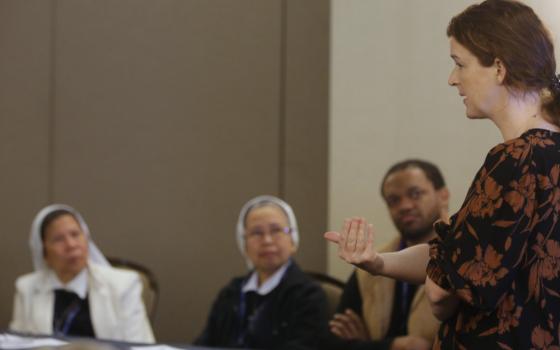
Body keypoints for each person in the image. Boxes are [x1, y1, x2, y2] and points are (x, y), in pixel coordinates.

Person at [325, 0, 560, 348]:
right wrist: (378, 262)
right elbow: (452, 257)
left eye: (459, 64)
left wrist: (443, 291)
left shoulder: (515, 158)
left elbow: (440, 291)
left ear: (498, 67)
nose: (452, 79)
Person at [326, 160, 445, 350]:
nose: (405, 206)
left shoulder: (465, 257)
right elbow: (333, 343)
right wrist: (388, 346)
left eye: (415, 194)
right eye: (394, 200)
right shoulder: (371, 263)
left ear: (443, 196)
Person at [195, 195, 328, 349]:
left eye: (276, 230)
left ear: (293, 240)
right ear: (244, 244)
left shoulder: (308, 295)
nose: (267, 240)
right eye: (257, 233)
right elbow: (203, 345)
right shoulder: (231, 292)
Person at [10, 204, 155, 343]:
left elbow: (139, 344)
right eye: (58, 239)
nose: (71, 245)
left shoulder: (123, 285)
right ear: (43, 252)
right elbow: (18, 343)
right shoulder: (26, 288)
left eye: (75, 234)